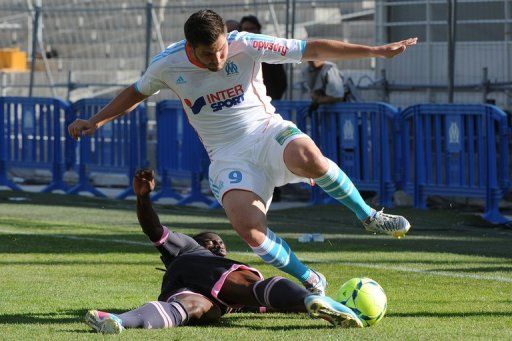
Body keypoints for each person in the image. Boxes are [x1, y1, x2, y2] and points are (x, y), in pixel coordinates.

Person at [68, 9, 415, 297]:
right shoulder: (167, 65)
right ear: (190, 47)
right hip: (227, 156)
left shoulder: (245, 44)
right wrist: (97, 121)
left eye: (220, 49)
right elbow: (135, 92)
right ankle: (311, 280)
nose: (218, 58)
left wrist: (374, 52)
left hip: (266, 132)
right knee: (249, 230)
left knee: (310, 156)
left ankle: (369, 216)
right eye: (208, 54)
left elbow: (310, 48)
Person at [84, 169, 363, 334]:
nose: (218, 245)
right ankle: (312, 299)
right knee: (256, 285)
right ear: (194, 241)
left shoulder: (209, 266)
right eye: (211, 241)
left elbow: (268, 304)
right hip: (203, 274)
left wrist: (299, 307)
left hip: (199, 297)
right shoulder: (189, 249)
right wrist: (143, 198)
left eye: (221, 244)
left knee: (190, 308)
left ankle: (118, 321)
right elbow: (153, 229)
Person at [240, 15, 287, 100]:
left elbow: (281, 81)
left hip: (268, 101)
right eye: (246, 29)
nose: (249, 32)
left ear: (258, 30)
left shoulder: (270, 50)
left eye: (252, 29)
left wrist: (273, 98)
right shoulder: (237, 52)